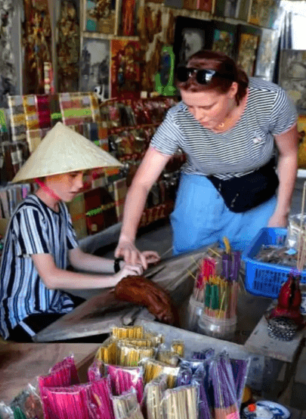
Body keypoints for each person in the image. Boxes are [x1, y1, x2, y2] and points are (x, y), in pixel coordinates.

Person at [117, 50, 299, 266]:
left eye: (207, 106)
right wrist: (126, 238)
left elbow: (288, 154)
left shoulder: (269, 100)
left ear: (232, 89)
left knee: (258, 258)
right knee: (191, 263)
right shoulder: (178, 119)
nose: (197, 116)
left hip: (257, 186)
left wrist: (282, 211)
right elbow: (143, 182)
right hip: (203, 184)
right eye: (189, 106)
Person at [0, 123, 159, 341]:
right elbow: (52, 278)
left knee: (114, 319)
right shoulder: (29, 212)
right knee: (104, 337)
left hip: (53, 303)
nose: (80, 184)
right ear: (48, 173)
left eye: (82, 175)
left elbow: (77, 257)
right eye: (73, 175)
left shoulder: (60, 207)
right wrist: (114, 279)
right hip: (24, 315)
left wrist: (122, 266)